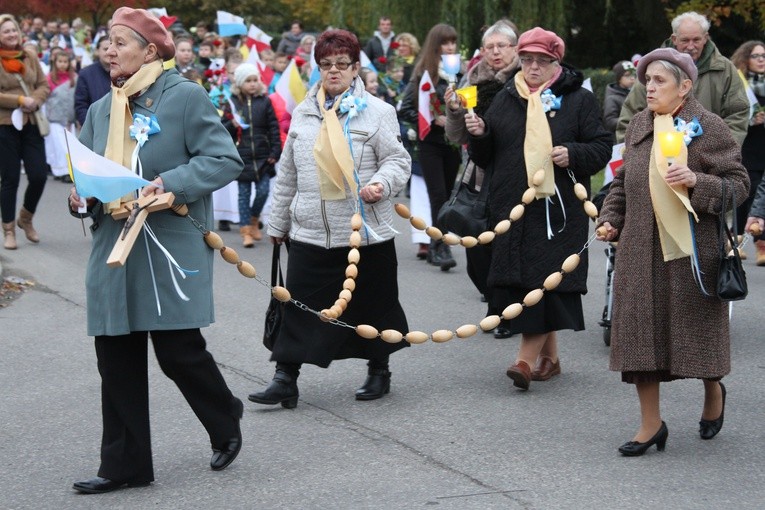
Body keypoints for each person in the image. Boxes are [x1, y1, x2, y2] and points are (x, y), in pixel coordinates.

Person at [67, 7, 244, 493]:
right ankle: (125, 465)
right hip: (114, 248)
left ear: (150, 51)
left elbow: (224, 159)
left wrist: (174, 182)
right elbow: (84, 173)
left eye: (120, 42)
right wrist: (80, 197)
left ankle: (224, 417)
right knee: (116, 357)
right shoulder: (103, 108)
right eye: (107, 42)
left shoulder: (184, 96)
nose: (110, 51)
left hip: (168, 243)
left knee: (178, 351)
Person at [597, 48, 748, 455]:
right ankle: (651, 424)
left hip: (693, 254)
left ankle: (713, 391)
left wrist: (697, 181)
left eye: (659, 81)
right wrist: (610, 219)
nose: (649, 87)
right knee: (639, 341)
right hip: (639, 251)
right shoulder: (639, 127)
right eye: (647, 80)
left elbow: (739, 184)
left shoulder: (709, 126)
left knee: (697, 340)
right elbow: (623, 181)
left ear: (685, 86)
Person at [248, 28, 411, 408]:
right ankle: (285, 378)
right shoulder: (304, 114)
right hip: (310, 231)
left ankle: (378, 371)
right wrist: (278, 223)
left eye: (342, 64)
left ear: (356, 67)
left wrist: (381, 184)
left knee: (375, 305)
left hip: (363, 232)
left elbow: (397, 160)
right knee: (299, 305)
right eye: (326, 65)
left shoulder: (379, 112)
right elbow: (287, 173)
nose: (333, 71)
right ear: (317, 68)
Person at [465, 27, 612, 389]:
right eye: (527, 59)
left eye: (541, 61)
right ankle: (551, 358)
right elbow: (487, 157)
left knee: (543, 284)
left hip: (556, 212)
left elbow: (602, 147)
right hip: (512, 207)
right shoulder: (505, 97)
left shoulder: (578, 99)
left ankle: (524, 361)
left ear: (555, 62)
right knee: (526, 284)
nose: (532, 67)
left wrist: (573, 152)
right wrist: (480, 133)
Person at [445, 21, 519, 337]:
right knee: (475, 245)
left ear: (515, 48)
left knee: (505, 244)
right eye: (490, 47)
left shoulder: (524, 79)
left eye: (502, 45)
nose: (495, 52)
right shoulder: (473, 79)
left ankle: (506, 312)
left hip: (513, 171)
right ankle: (494, 300)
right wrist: (453, 110)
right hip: (479, 172)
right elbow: (456, 135)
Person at [616, 11, 749, 145]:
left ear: (706, 38)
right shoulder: (653, 69)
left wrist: (721, 150)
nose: (691, 46)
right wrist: (641, 154)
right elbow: (630, 116)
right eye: (685, 40)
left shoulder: (724, 69)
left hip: (710, 156)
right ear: (674, 39)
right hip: (659, 155)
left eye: (696, 40)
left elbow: (738, 113)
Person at [399, 23, 462, 271]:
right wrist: (433, 119)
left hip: (453, 143)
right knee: (437, 195)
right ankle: (440, 246)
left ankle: (438, 243)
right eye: (445, 42)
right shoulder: (423, 73)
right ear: (435, 45)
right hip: (430, 143)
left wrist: (459, 113)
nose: (450, 47)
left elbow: (469, 101)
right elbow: (405, 109)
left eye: (453, 42)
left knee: (447, 196)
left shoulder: (459, 72)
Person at [0, 14, 50, 250]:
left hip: (31, 123)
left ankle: (26, 218)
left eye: (14, 30)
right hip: (6, 125)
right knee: (9, 178)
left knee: (39, 174)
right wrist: (20, 99)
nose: (11, 34)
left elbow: (43, 84)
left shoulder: (29, 56)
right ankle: (8, 229)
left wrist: (34, 101)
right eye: (6, 31)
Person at [221, 63, 281, 247]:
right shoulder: (232, 103)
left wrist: (275, 151)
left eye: (255, 80)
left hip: (263, 157)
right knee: (243, 195)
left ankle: (254, 218)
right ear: (240, 83)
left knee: (263, 191)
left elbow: (273, 128)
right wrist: (233, 125)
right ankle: (245, 230)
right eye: (248, 80)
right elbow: (222, 129)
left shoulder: (265, 101)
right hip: (243, 157)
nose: (253, 84)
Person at [730, 40, 765, 265]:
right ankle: (736, 241)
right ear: (745, 59)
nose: (761, 60)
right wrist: (751, 121)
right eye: (756, 56)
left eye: (764, 55)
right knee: (747, 194)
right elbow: (733, 115)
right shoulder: (740, 86)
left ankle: (761, 244)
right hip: (749, 148)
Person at [44, 48, 77, 180]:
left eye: (65, 61)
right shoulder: (49, 78)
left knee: (69, 146)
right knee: (58, 146)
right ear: (55, 62)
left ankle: (69, 171)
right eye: (60, 61)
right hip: (55, 118)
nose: (63, 64)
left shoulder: (74, 78)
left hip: (69, 118)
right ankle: (60, 171)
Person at [75, 33, 111, 126]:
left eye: (113, 48)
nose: (109, 52)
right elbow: (81, 105)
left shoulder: (126, 72)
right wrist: (90, 127)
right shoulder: (86, 74)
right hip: (96, 128)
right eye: (106, 49)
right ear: (97, 51)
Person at [603, 60, 635, 134]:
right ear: (619, 78)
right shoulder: (611, 98)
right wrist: (632, 122)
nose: (632, 78)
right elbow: (609, 122)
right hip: (620, 140)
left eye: (634, 75)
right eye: (627, 75)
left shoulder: (635, 92)